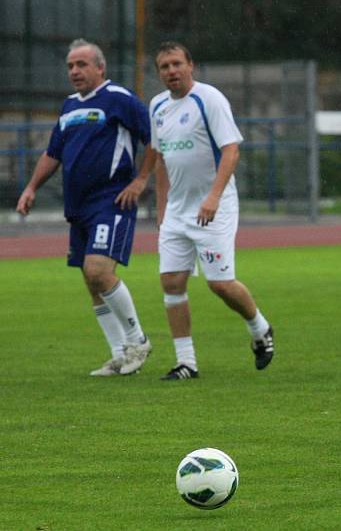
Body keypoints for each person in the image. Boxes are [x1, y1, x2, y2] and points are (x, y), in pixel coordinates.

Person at [15, 38, 154, 377]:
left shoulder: (119, 99)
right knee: (91, 282)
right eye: (70, 66)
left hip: (111, 200)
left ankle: (139, 341)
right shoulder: (67, 106)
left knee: (98, 271)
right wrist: (32, 187)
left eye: (81, 64)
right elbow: (53, 154)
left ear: (100, 67)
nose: (74, 71)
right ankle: (120, 354)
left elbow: (153, 139)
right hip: (78, 207)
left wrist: (141, 180)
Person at [149, 41, 274, 380]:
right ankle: (186, 363)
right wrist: (162, 213)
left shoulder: (210, 99)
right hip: (177, 211)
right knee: (171, 281)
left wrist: (213, 198)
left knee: (219, 284)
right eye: (164, 66)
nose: (171, 71)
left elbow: (231, 151)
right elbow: (160, 160)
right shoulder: (158, 106)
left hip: (214, 206)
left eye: (177, 63)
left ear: (191, 65)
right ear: (158, 72)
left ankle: (260, 328)